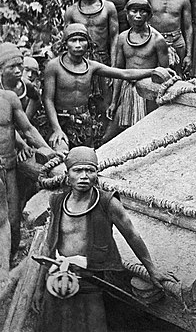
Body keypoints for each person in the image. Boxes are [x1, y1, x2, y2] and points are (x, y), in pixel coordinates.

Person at [35, 146, 177, 332]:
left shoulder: (107, 203)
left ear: (97, 174)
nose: (84, 176)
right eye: (78, 170)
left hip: (91, 280)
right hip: (58, 278)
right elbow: (48, 245)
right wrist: (39, 287)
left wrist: (152, 270)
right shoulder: (57, 202)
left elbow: (132, 235)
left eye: (90, 170)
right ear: (67, 174)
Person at [43, 24, 167, 152]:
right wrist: (56, 128)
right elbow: (48, 99)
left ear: (89, 43)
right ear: (65, 44)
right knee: (61, 155)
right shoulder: (54, 66)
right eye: (73, 40)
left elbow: (124, 74)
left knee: (87, 158)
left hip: (84, 121)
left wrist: (154, 70)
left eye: (82, 40)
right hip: (60, 120)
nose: (78, 45)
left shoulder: (91, 66)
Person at [0, 43, 55, 280]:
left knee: (12, 219)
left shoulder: (10, 98)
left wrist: (48, 150)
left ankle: (9, 268)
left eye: (19, 66)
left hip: (9, 166)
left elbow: (29, 129)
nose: (18, 71)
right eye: (12, 66)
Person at [104, 0, 169, 142]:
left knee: (146, 134)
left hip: (148, 93)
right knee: (112, 135)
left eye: (142, 12)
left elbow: (165, 75)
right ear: (127, 14)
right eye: (134, 11)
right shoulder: (122, 38)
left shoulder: (158, 40)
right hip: (127, 90)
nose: (138, 16)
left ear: (149, 15)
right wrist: (114, 102)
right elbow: (118, 72)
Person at [64, 0, 119, 119]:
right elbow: (66, 40)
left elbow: (115, 37)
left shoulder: (108, 8)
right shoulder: (71, 11)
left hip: (102, 58)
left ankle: (105, 136)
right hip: (79, 60)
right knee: (80, 99)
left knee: (105, 101)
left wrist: (112, 67)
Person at [144, 0, 193, 74]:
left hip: (176, 40)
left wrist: (189, 54)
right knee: (154, 75)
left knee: (178, 75)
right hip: (155, 40)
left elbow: (188, 27)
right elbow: (139, 19)